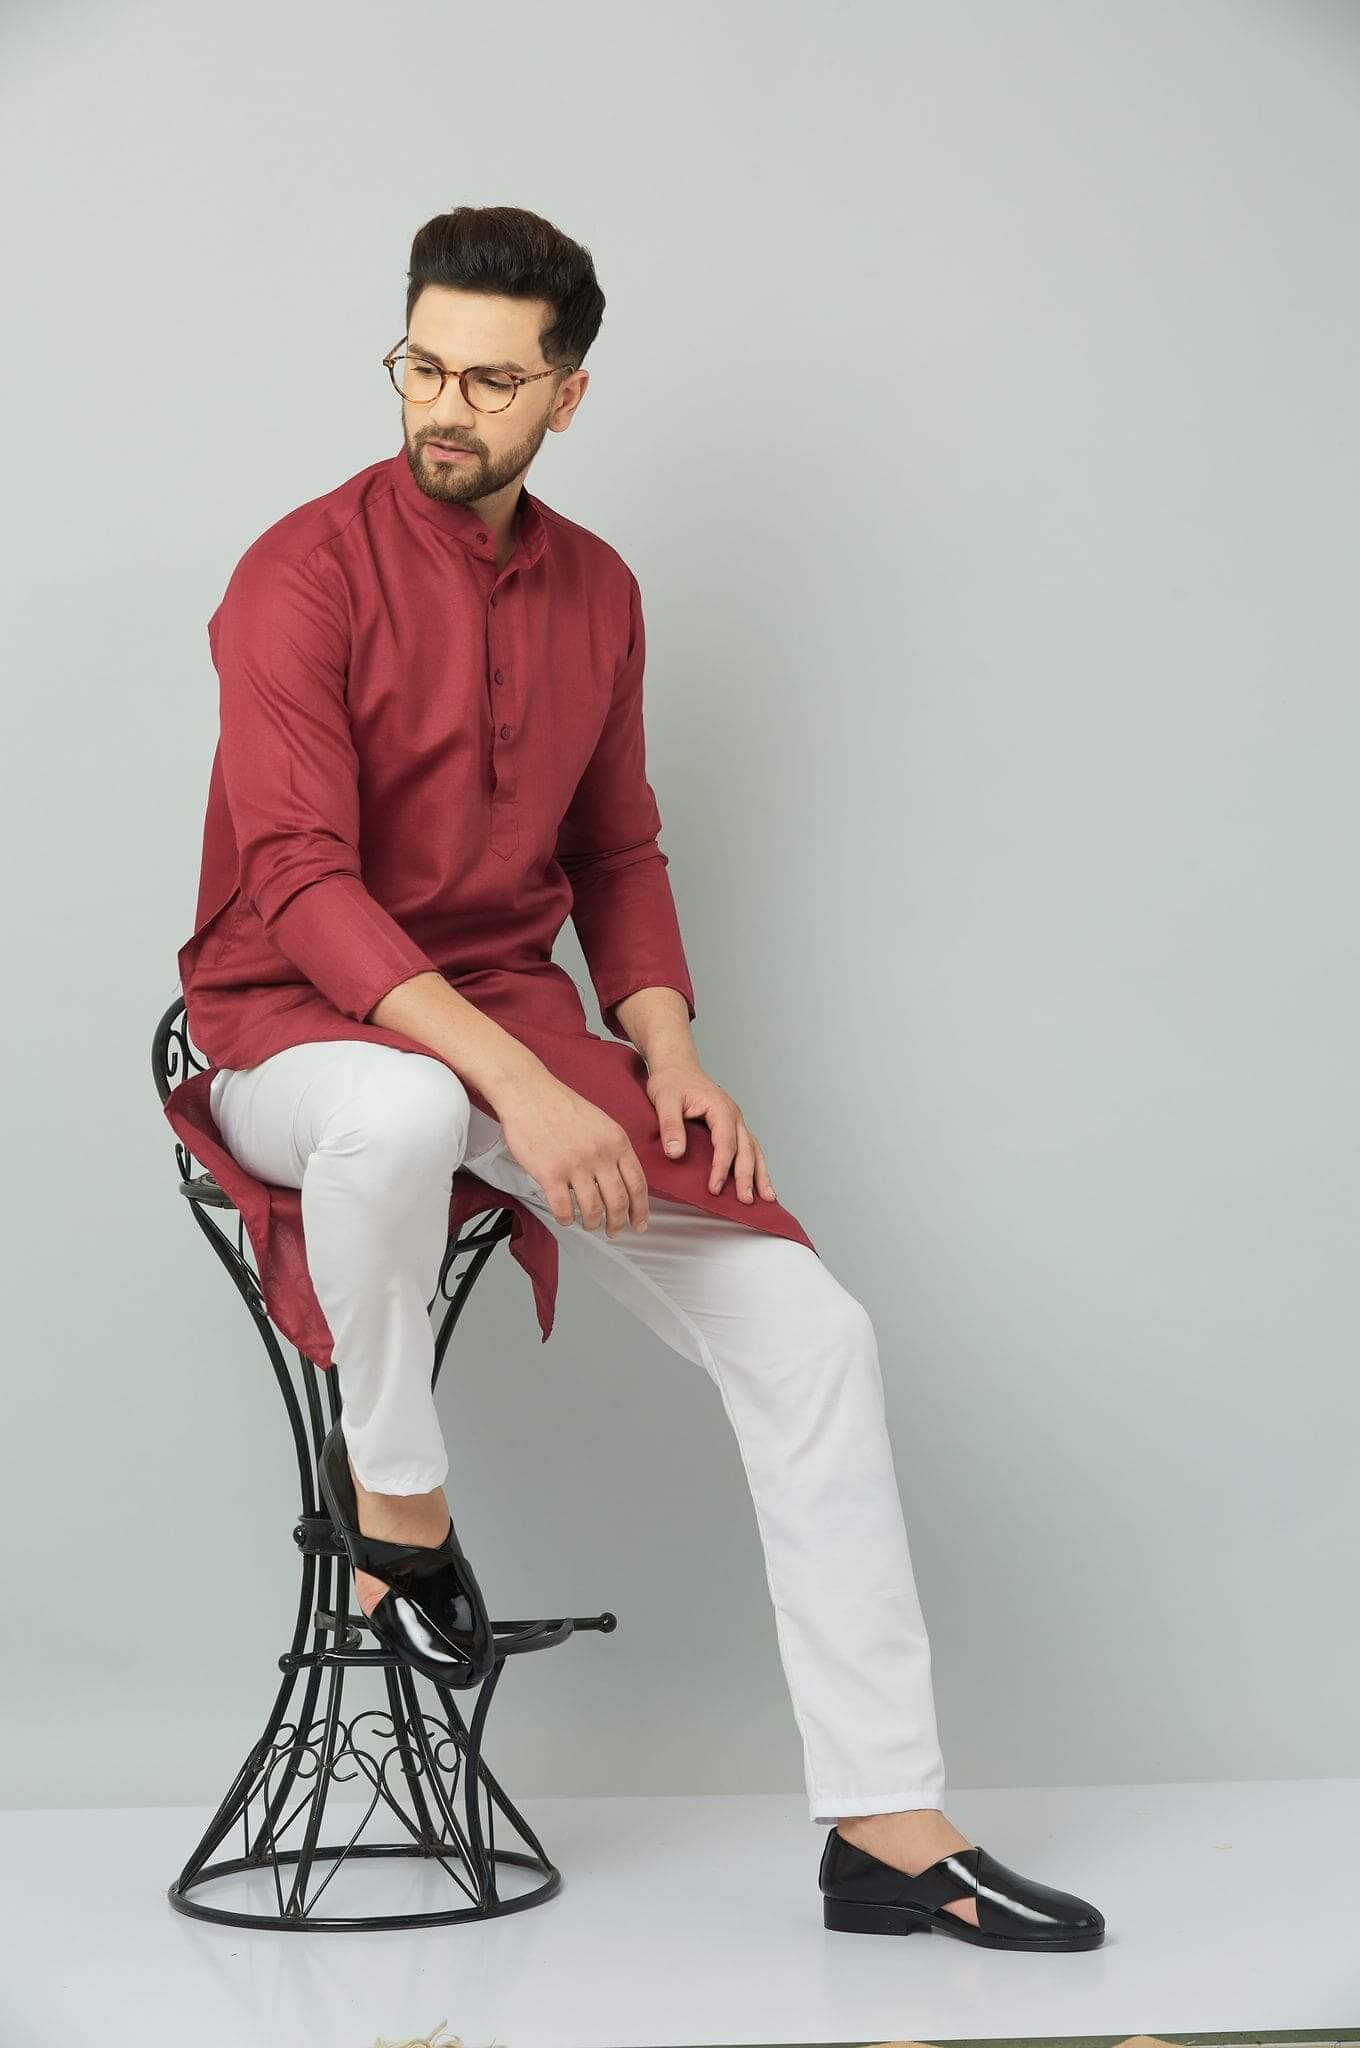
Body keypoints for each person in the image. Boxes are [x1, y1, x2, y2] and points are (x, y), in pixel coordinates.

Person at [177, 202, 1104, 1952]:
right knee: (401, 1104)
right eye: (421, 363)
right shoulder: (295, 574)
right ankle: (401, 1511)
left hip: (516, 1022)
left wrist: (663, 1054)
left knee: (812, 1332)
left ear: (570, 394)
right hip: (288, 1021)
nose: (444, 405)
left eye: (490, 377)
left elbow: (619, 848)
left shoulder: (598, 588)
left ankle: (886, 1829)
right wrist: (516, 1093)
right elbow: (297, 879)